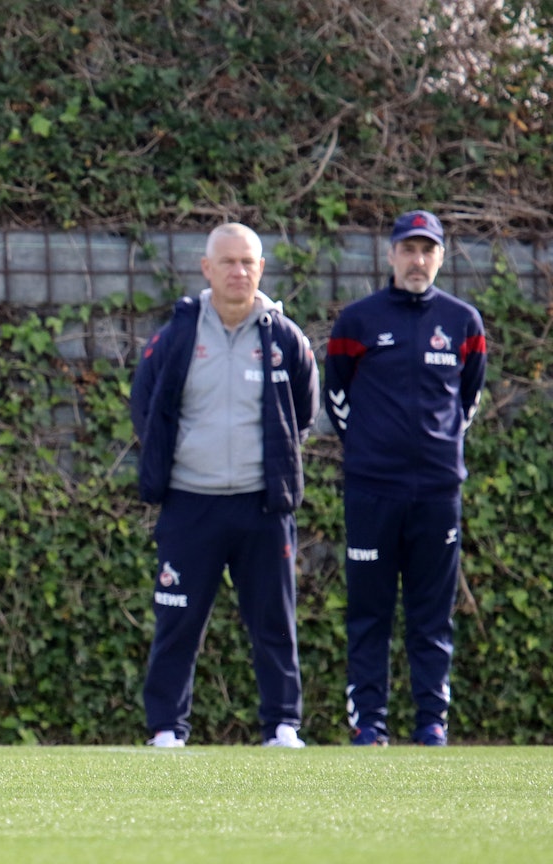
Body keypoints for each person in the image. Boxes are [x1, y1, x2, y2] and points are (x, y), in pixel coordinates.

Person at [129, 223, 319, 748]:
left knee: (274, 622)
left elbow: (302, 415)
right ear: (206, 268)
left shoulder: (285, 337)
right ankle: (167, 729)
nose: (239, 271)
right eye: (228, 262)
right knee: (177, 621)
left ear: (261, 268)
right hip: (191, 503)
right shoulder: (178, 336)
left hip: (264, 505)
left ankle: (282, 726)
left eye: (248, 262)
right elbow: (146, 406)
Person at [324, 210, 487, 747]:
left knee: (431, 616)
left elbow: (467, 401)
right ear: (391, 254)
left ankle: (430, 722)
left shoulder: (464, 323)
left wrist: (436, 453)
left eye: (428, 250)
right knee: (369, 613)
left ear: (441, 256)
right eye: (409, 249)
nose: (418, 260)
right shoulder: (357, 321)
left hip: (438, 493)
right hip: (372, 491)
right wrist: (373, 451)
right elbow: (338, 397)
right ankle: (368, 723)